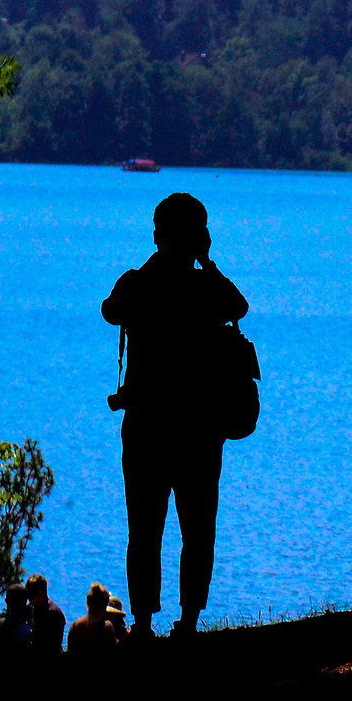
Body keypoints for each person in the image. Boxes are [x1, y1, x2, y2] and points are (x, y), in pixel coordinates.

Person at [102, 192, 249, 637]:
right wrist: (206, 262)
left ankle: (144, 622)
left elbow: (111, 311)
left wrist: (157, 261)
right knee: (199, 527)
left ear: (156, 233)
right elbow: (238, 307)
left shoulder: (137, 283)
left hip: (146, 425)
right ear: (201, 236)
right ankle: (188, 620)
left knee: (144, 528)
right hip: (200, 428)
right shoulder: (207, 288)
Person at [67, 582, 125, 654]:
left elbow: (70, 651)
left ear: (88, 603)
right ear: (104, 606)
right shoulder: (107, 627)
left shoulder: (75, 626)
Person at [23, 573, 66, 658]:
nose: (29, 599)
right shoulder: (31, 608)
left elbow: (52, 646)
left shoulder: (53, 614)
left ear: (42, 592)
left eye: (32, 595)